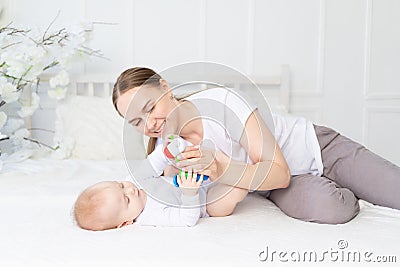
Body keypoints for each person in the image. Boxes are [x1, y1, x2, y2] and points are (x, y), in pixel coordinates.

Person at [112, 67, 400, 225]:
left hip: (315, 150)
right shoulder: (168, 152)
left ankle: (352, 174)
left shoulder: (222, 103)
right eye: (136, 122)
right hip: (271, 185)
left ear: (165, 87)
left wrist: (222, 166)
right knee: (332, 209)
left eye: (149, 108)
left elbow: (278, 171)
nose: (149, 124)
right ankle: (348, 189)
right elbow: (176, 196)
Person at [73, 169, 248, 231]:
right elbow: (187, 220)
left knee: (170, 167)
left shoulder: (134, 182)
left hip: (182, 180)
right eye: (126, 199)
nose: (131, 190)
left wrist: (167, 151)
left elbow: (154, 163)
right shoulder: (151, 216)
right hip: (205, 203)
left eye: (120, 185)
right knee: (234, 192)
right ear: (125, 223)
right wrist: (190, 193)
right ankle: (253, 176)